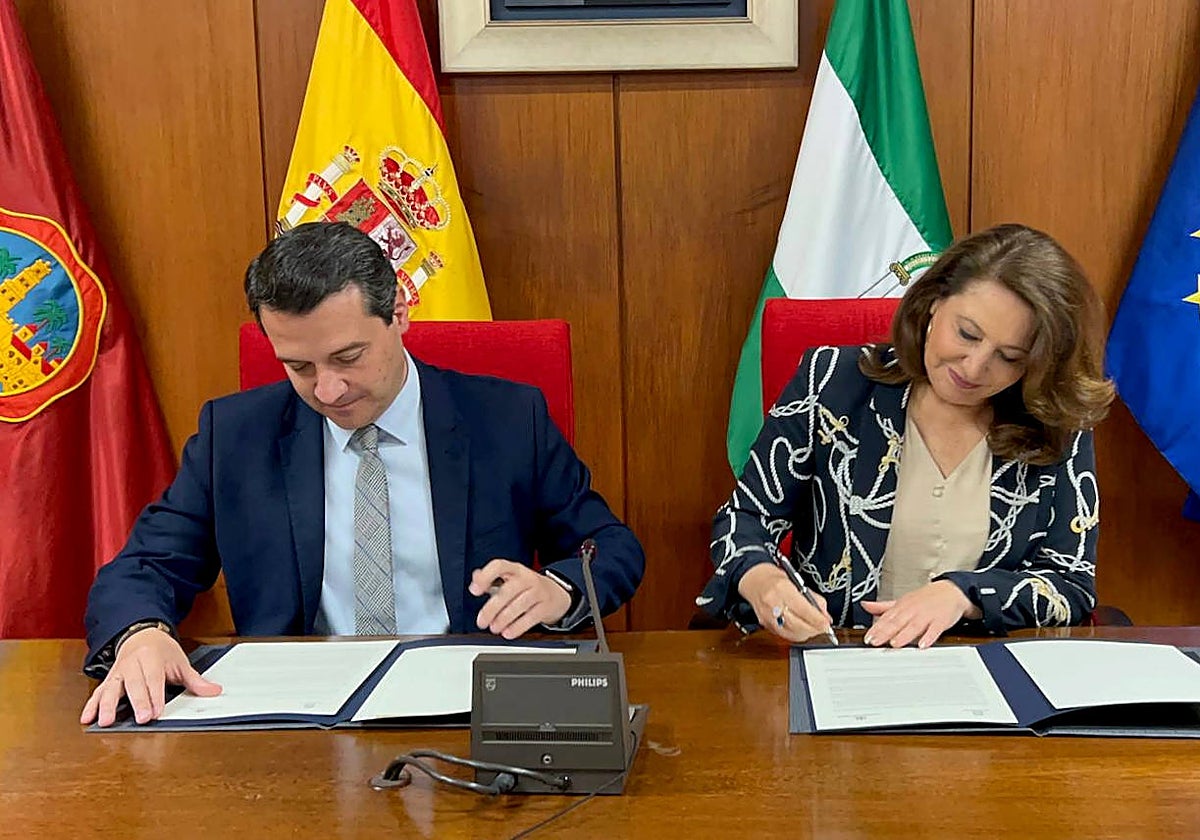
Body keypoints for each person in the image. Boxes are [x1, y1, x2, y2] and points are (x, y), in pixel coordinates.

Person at [81, 221, 644, 727]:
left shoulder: (506, 419)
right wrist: (141, 634)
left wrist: (559, 589)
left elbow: (612, 546)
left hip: (468, 708)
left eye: (348, 357)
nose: (327, 391)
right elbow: (144, 567)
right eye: (299, 367)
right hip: (294, 723)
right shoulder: (235, 436)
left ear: (398, 314)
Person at [697, 223, 1114, 648]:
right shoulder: (832, 382)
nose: (973, 368)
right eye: (967, 334)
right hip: (839, 657)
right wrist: (761, 578)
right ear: (933, 302)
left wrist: (963, 596)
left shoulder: (1053, 421)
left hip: (985, 673)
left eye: (1009, 358)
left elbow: (1070, 584)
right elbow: (744, 520)